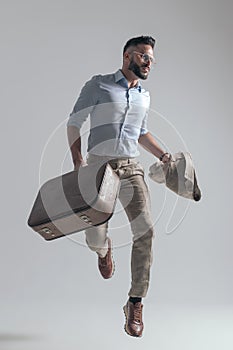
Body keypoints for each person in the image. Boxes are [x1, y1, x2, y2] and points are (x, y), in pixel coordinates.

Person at [67, 35, 171, 337]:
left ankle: (135, 301)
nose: (149, 63)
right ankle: (103, 251)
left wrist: (163, 155)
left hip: (131, 167)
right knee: (94, 236)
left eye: (152, 58)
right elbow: (74, 122)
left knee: (146, 230)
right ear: (128, 56)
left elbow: (141, 133)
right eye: (144, 57)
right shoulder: (98, 85)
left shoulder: (144, 96)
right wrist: (78, 161)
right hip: (99, 166)